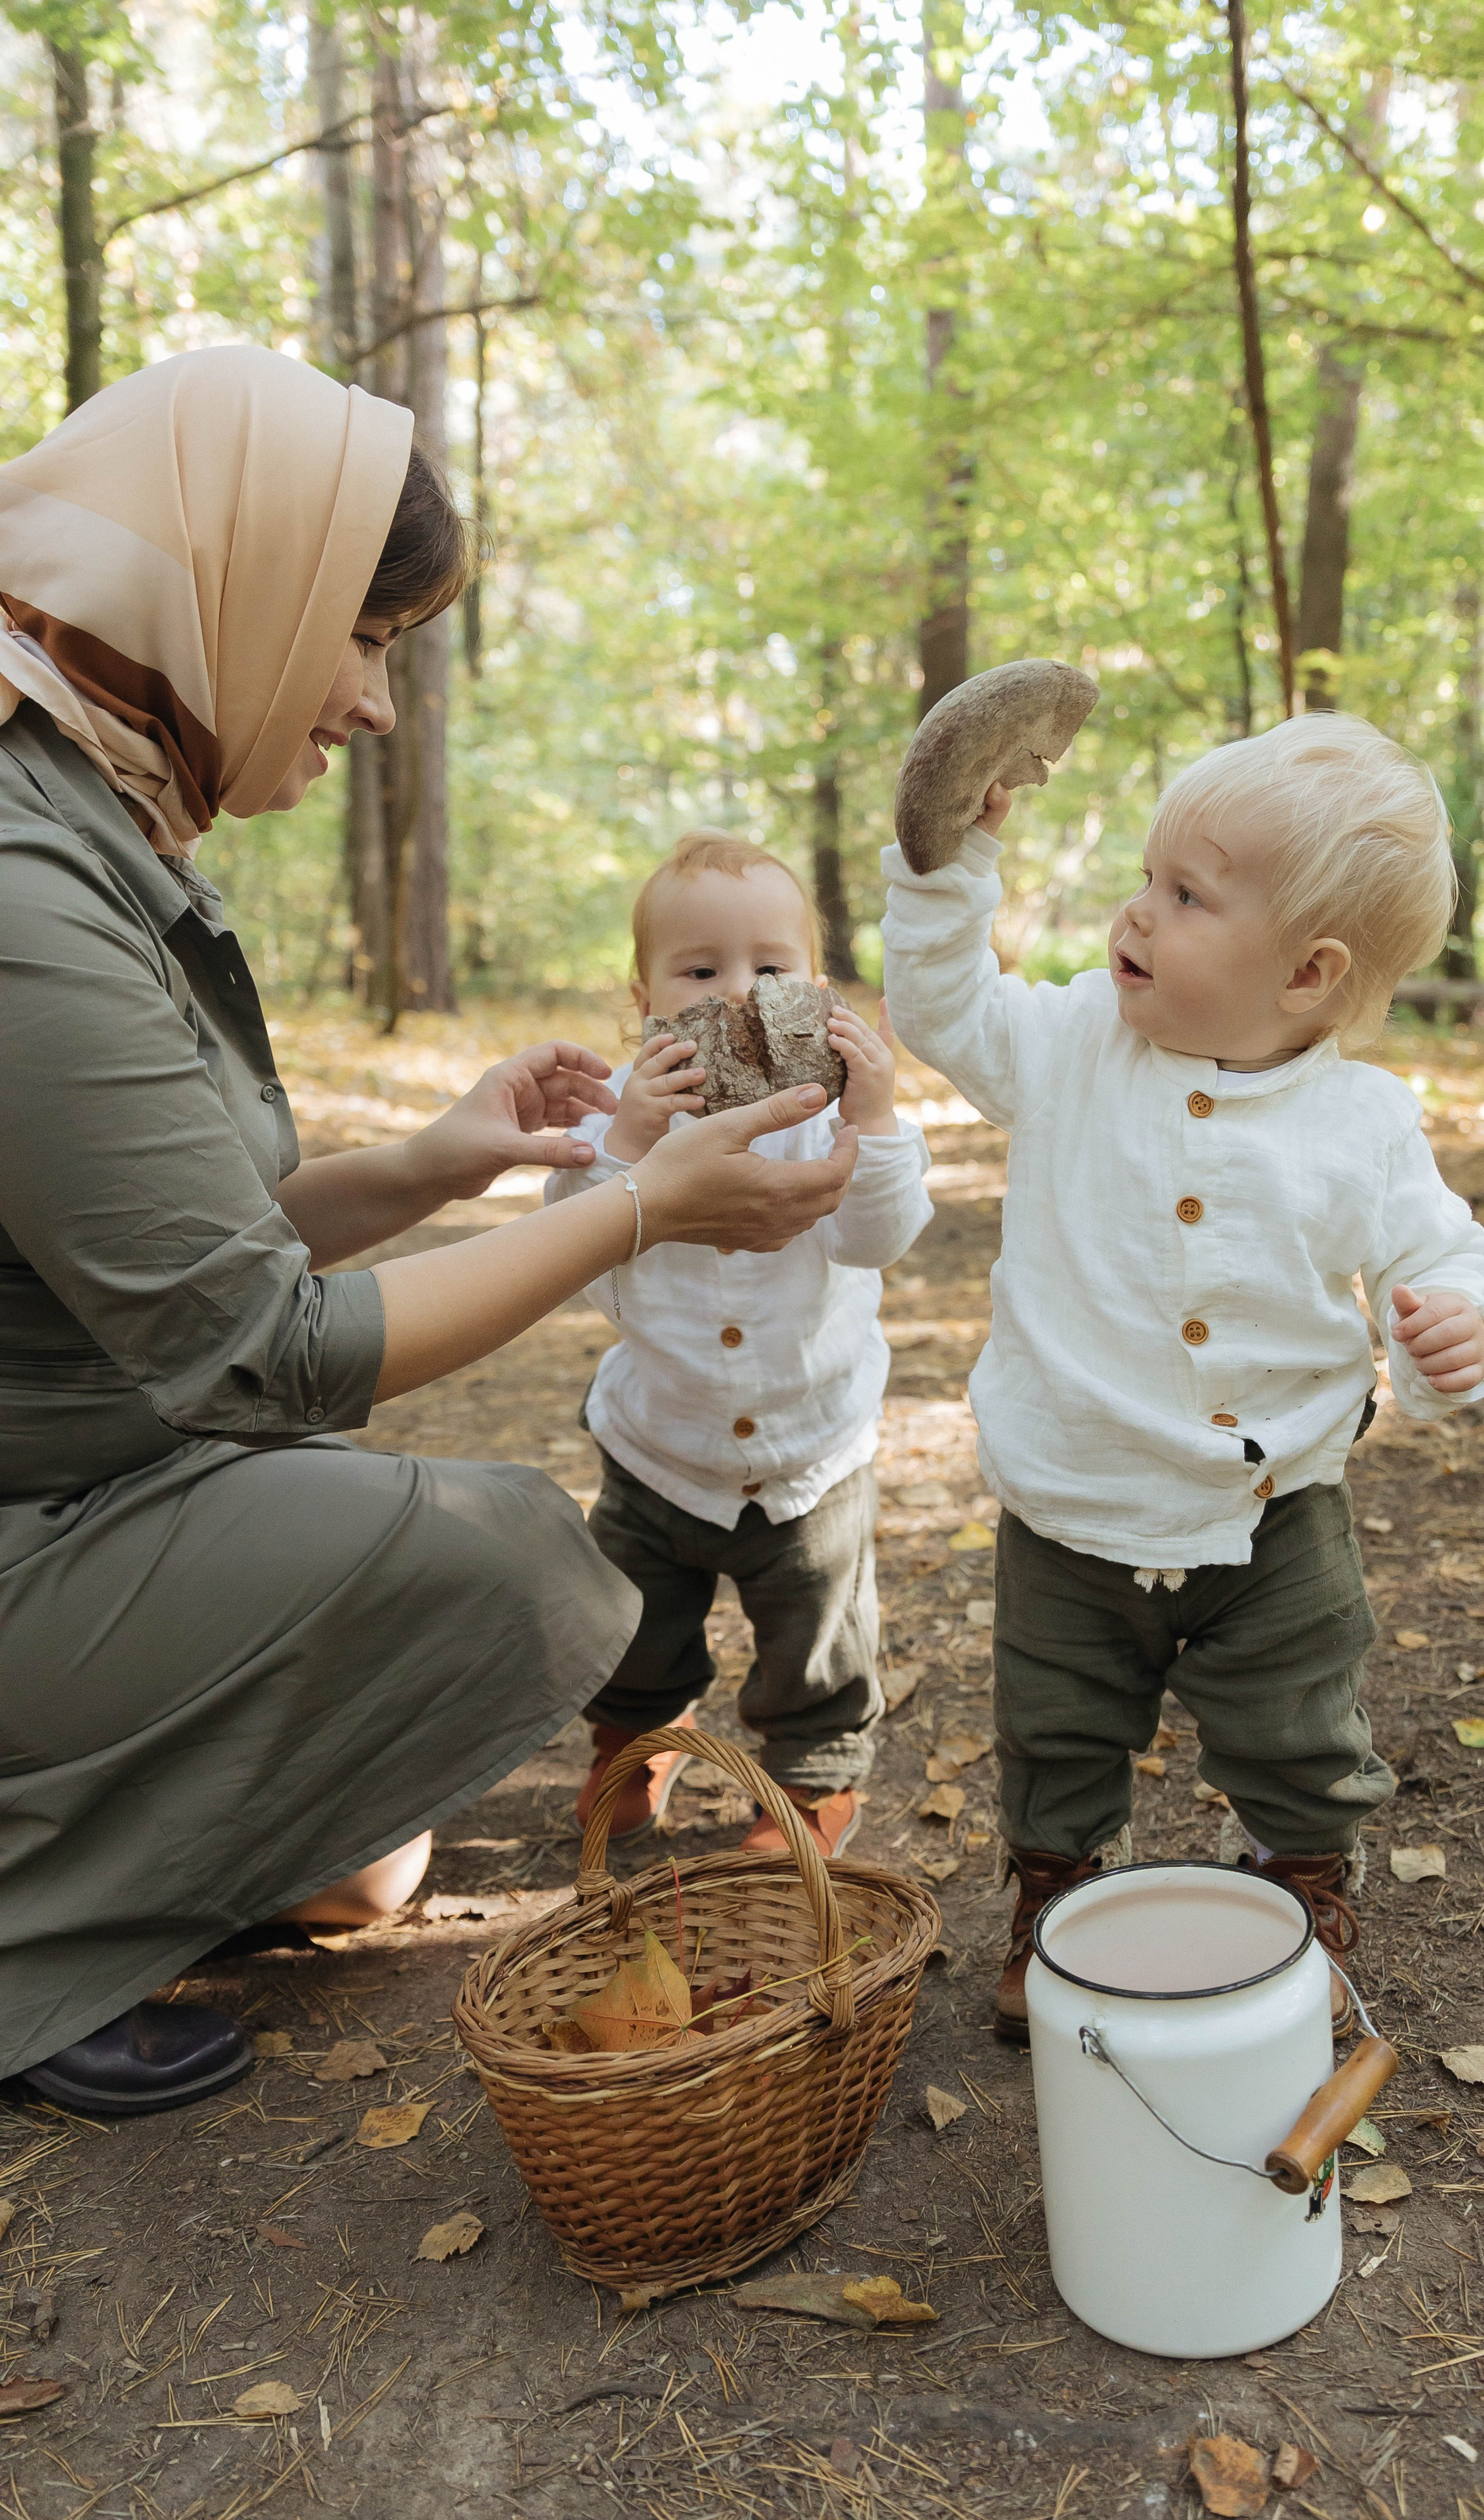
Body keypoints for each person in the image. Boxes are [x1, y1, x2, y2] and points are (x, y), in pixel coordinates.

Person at [0, 347, 856, 2116]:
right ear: (240, 585)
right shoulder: (19, 878)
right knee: (526, 1564)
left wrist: (438, 1164)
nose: (377, 704)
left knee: (368, 1866)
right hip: (42, 1515)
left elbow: (172, 1256)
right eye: (366, 635)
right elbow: (260, 1347)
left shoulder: (99, 794)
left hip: (112, 1468)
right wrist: (641, 1205)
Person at [880, 711, 1484, 2040]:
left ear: (1304, 973)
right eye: (1145, 878)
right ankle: (1055, 1902)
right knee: (1055, 1728)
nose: (1134, 912)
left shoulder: (1361, 1122)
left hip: (1274, 1506)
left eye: (1184, 896)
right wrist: (946, 874)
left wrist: (1457, 1324)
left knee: (1295, 1728)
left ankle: (1302, 1888)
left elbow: (1436, 1250)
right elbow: (940, 1008)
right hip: (1073, 1499)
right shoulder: (1066, 1044)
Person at [547, 831, 934, 1858]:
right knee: (636, 1624)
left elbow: (880, 1236)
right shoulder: (624, 1127)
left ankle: (810, 1781)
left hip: (811, 1452)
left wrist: (881, 1112)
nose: (739, 994)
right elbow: (582, 1266)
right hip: (656, 1447)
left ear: (817, 984)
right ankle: (637, 1734)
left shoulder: (838, 1118)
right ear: (643, 998)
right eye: (700, 970)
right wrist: (626, 1152)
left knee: (816, 1643)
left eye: (772, 968)